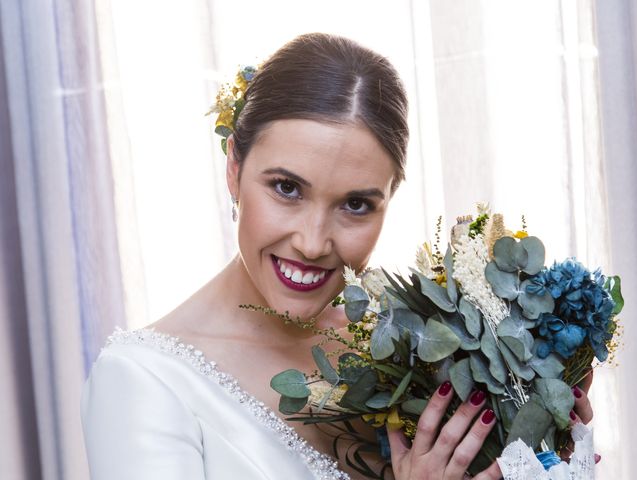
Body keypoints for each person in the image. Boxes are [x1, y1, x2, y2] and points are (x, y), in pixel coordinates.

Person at [80, 32, 594, 480]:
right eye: (286, 188)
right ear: (233, 167)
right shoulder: (141, 383)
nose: (311, 241)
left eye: (355, 204)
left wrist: (534, 433)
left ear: (390, 198)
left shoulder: (421, 347)